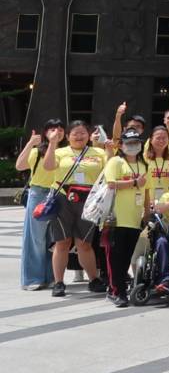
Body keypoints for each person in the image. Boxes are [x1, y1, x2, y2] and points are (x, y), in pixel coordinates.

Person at [43, 120, 108, 297]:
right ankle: (59, 282)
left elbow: (109, 172)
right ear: (68, 136)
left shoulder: (99, 152)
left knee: (84, 243)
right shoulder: (59, 151)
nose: (79, 136)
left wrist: (108, 148)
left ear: (89, 135)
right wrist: (52, 142)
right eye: (75, 133)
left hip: (89, 201)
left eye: (83, 133)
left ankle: (93, 279)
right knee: (62, 242)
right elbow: (48, 166)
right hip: (63, 198)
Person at [103, 129, 149, 306]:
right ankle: (117, 292)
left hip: (134, 218)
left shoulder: (143, 164)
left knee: (127, 256)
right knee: (116, 257)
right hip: (116, 218)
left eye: (136, 143)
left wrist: (147, 212)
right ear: (121, 145)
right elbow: (111, 184)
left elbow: (146, 191)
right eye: (129, 143)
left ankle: (117, 288)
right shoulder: (116, 161)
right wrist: (134, 182)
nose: (133, 146)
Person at [16, 120, 64, 290]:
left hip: (58, 194)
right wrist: (30, 143)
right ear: (45, 133)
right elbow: (20, 166)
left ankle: (51, 276)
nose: (57, 132)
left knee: (53, 238)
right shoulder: (37, 152)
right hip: (38, 194)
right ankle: (32, 278)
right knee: (35, 237)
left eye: (60, 129)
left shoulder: (66, 152)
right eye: (52, 129)